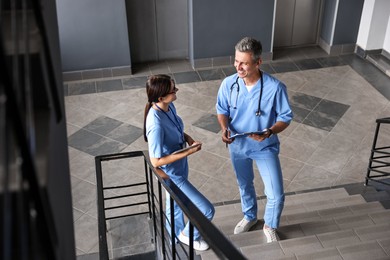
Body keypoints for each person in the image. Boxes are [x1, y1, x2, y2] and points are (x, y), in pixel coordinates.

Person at [216, 37, 293, 243]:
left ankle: (270, 224)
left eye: (244, 63)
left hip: (264, 146)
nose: (238, 67)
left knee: (276, 193)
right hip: (237, 145)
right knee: (245, 184)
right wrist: (224, 128)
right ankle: (250, 216)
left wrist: (269, 132)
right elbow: (222, 110)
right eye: (236, 61)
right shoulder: (228, 84)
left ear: (258, 62)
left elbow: (285, 118)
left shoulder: (275, 87)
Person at [143, 74, 215, 251]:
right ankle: (188, 235)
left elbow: (176, 129)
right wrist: (189, 152)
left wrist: (188, 139)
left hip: (180, 167)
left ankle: (175, 238)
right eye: (173, 90)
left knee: (175, 205)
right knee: (207, 210)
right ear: (161, 97)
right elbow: (156, 161)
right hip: (173, 174)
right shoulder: (155, 124)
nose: (176, 91)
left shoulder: (168, 106)